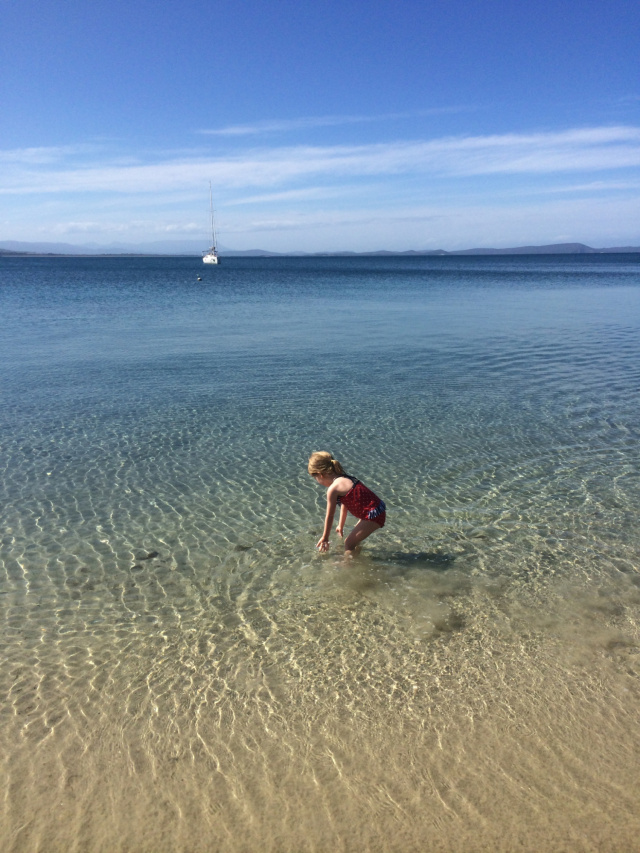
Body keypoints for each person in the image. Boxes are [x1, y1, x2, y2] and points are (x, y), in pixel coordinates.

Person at [308, 451, 386, 553]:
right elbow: (345, 504)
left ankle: (348, 566)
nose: (317, 481)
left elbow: (330, 516)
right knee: (353, 541)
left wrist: (325, 537)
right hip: (375, 511)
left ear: (320, 475)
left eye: (315, 478)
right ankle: (359, 562)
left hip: (372, 515)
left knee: (348, 544)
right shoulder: (345, 478)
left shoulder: (333, 489)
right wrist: (340, 525)